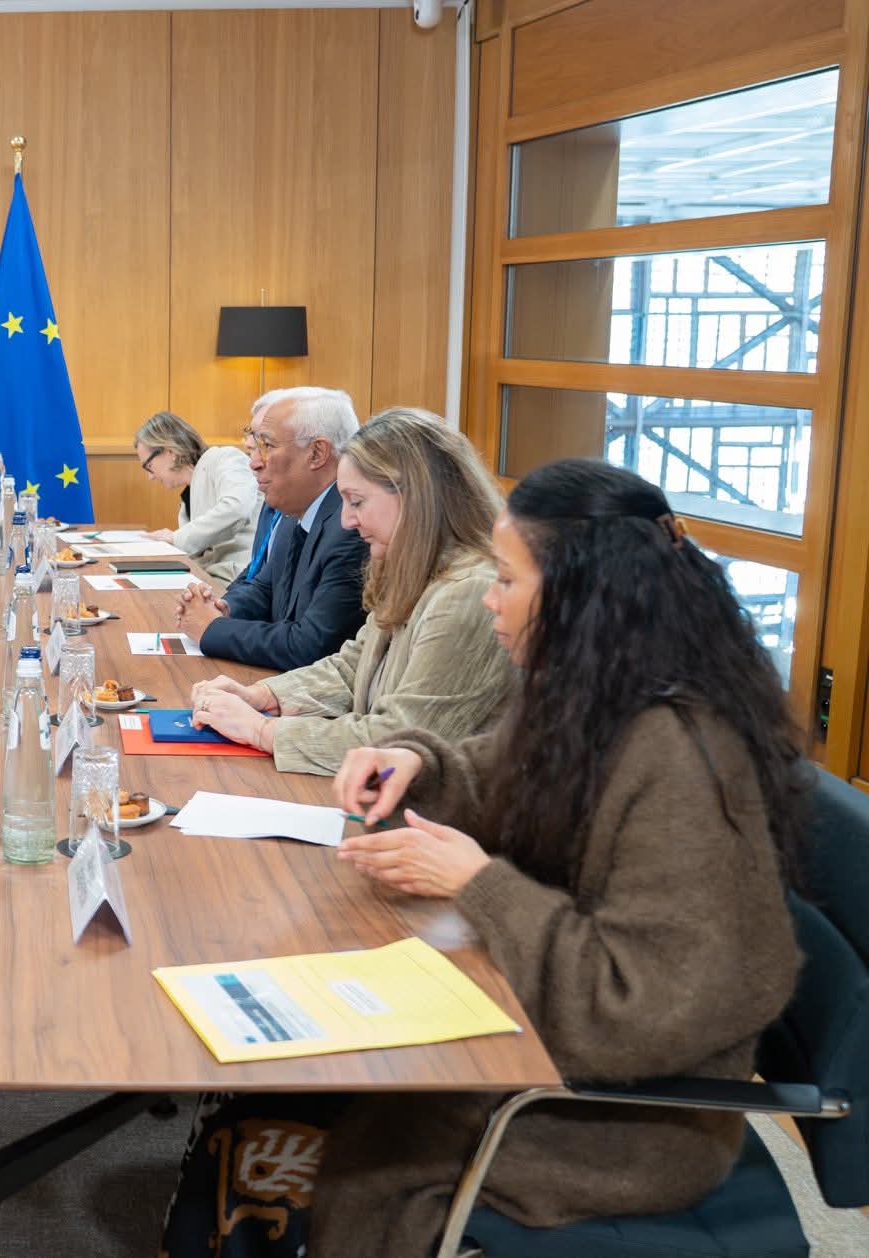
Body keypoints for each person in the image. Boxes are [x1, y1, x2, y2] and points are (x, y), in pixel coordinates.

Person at [161, 459, 804, 1258]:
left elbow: (645, 1009)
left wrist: (478, 883)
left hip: (609, 1118)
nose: (489, 599)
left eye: (506, 579)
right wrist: (417, 766)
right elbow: (486, 776)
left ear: (579, 595)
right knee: (261, 1084)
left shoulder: (684, 756)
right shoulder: (588, 691)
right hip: (532, 1037)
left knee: (294, 1142)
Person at [186, 408, 511, 774]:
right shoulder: (412, 569)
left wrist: (262, 731)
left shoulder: (467, 593)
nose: (346, 520)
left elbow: (399, 740)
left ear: (417, 498)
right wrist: (263, 696)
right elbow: (352, 668)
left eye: (356, 501)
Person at [175, 387, 368, 671]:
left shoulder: (351, 528)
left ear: (317, 453)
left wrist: (212, 628)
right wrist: (222, 609)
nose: (253, 463)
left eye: (267, 446)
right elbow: (265, 589)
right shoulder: (294, 512)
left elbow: (311, 646)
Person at [132, 411, 260, 582]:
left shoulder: (225, 458)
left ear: (169, 451)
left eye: (149, 466)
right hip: (207, 577)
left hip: (237, 578)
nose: (150, 476)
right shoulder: (189, 494)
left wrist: (175, 538)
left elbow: (238, 508)